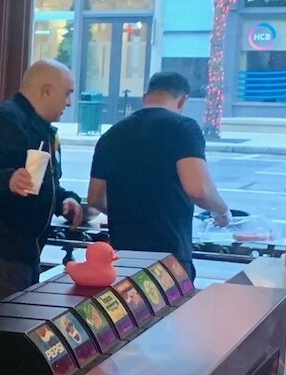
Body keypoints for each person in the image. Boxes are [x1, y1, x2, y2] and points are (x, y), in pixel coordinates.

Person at [0, 60, 84, 311]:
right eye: (67, 93)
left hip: (23, 251)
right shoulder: (5, 120)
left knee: (17, 328)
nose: (69, 102)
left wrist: (63, 200)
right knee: (4, 332)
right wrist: (8, 178)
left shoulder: (42, 129)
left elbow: (44, 181)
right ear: (46, 91)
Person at [86, 71, 229, 275]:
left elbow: (94, 197)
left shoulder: (112, 134)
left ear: (145, 97)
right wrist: (222, 211)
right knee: (172, 307)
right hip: (168, 256)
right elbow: (198, 189)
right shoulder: (183, 128)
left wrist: (127, 212)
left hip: (122, 254)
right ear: (182, 101)